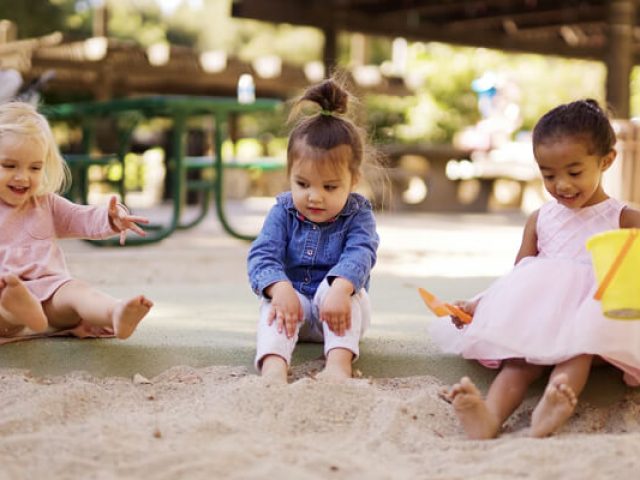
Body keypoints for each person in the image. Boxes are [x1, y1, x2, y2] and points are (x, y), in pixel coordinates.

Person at [432, 99, 640, 439]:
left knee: (578, 353)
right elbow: (518, 279)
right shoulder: (541, 218)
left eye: (574, 172)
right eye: (548, 175)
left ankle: (552, 408)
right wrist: (478, 304)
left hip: (592, 315)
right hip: (540, 316)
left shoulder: (623, 218)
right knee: (519, 363)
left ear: (606, 160)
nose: (561, 185)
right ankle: (489, 416)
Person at [247, 79, 380, 384]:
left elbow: (361, 253)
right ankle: (273, 367)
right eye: (303, 184)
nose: (315, 196)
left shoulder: (358, 214)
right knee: (271, 301)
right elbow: (263, 254)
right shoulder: (283, 210)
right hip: (292, 310)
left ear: (353, 180)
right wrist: (279, 289)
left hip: (339, 310)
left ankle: (337, 365)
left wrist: (339, 288)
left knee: (348, 292)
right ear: (290, 176)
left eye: (330, 186)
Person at [0, 101, 153, 341]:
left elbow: (80, 217)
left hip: (51, 294)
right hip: (5, 296)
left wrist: (111, 217)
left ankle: (115, 312)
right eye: (9, 165)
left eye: (35, 168)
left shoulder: (46, 204)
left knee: (78, 291)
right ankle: (19, 311)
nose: (23, 177)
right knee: (4, 308)